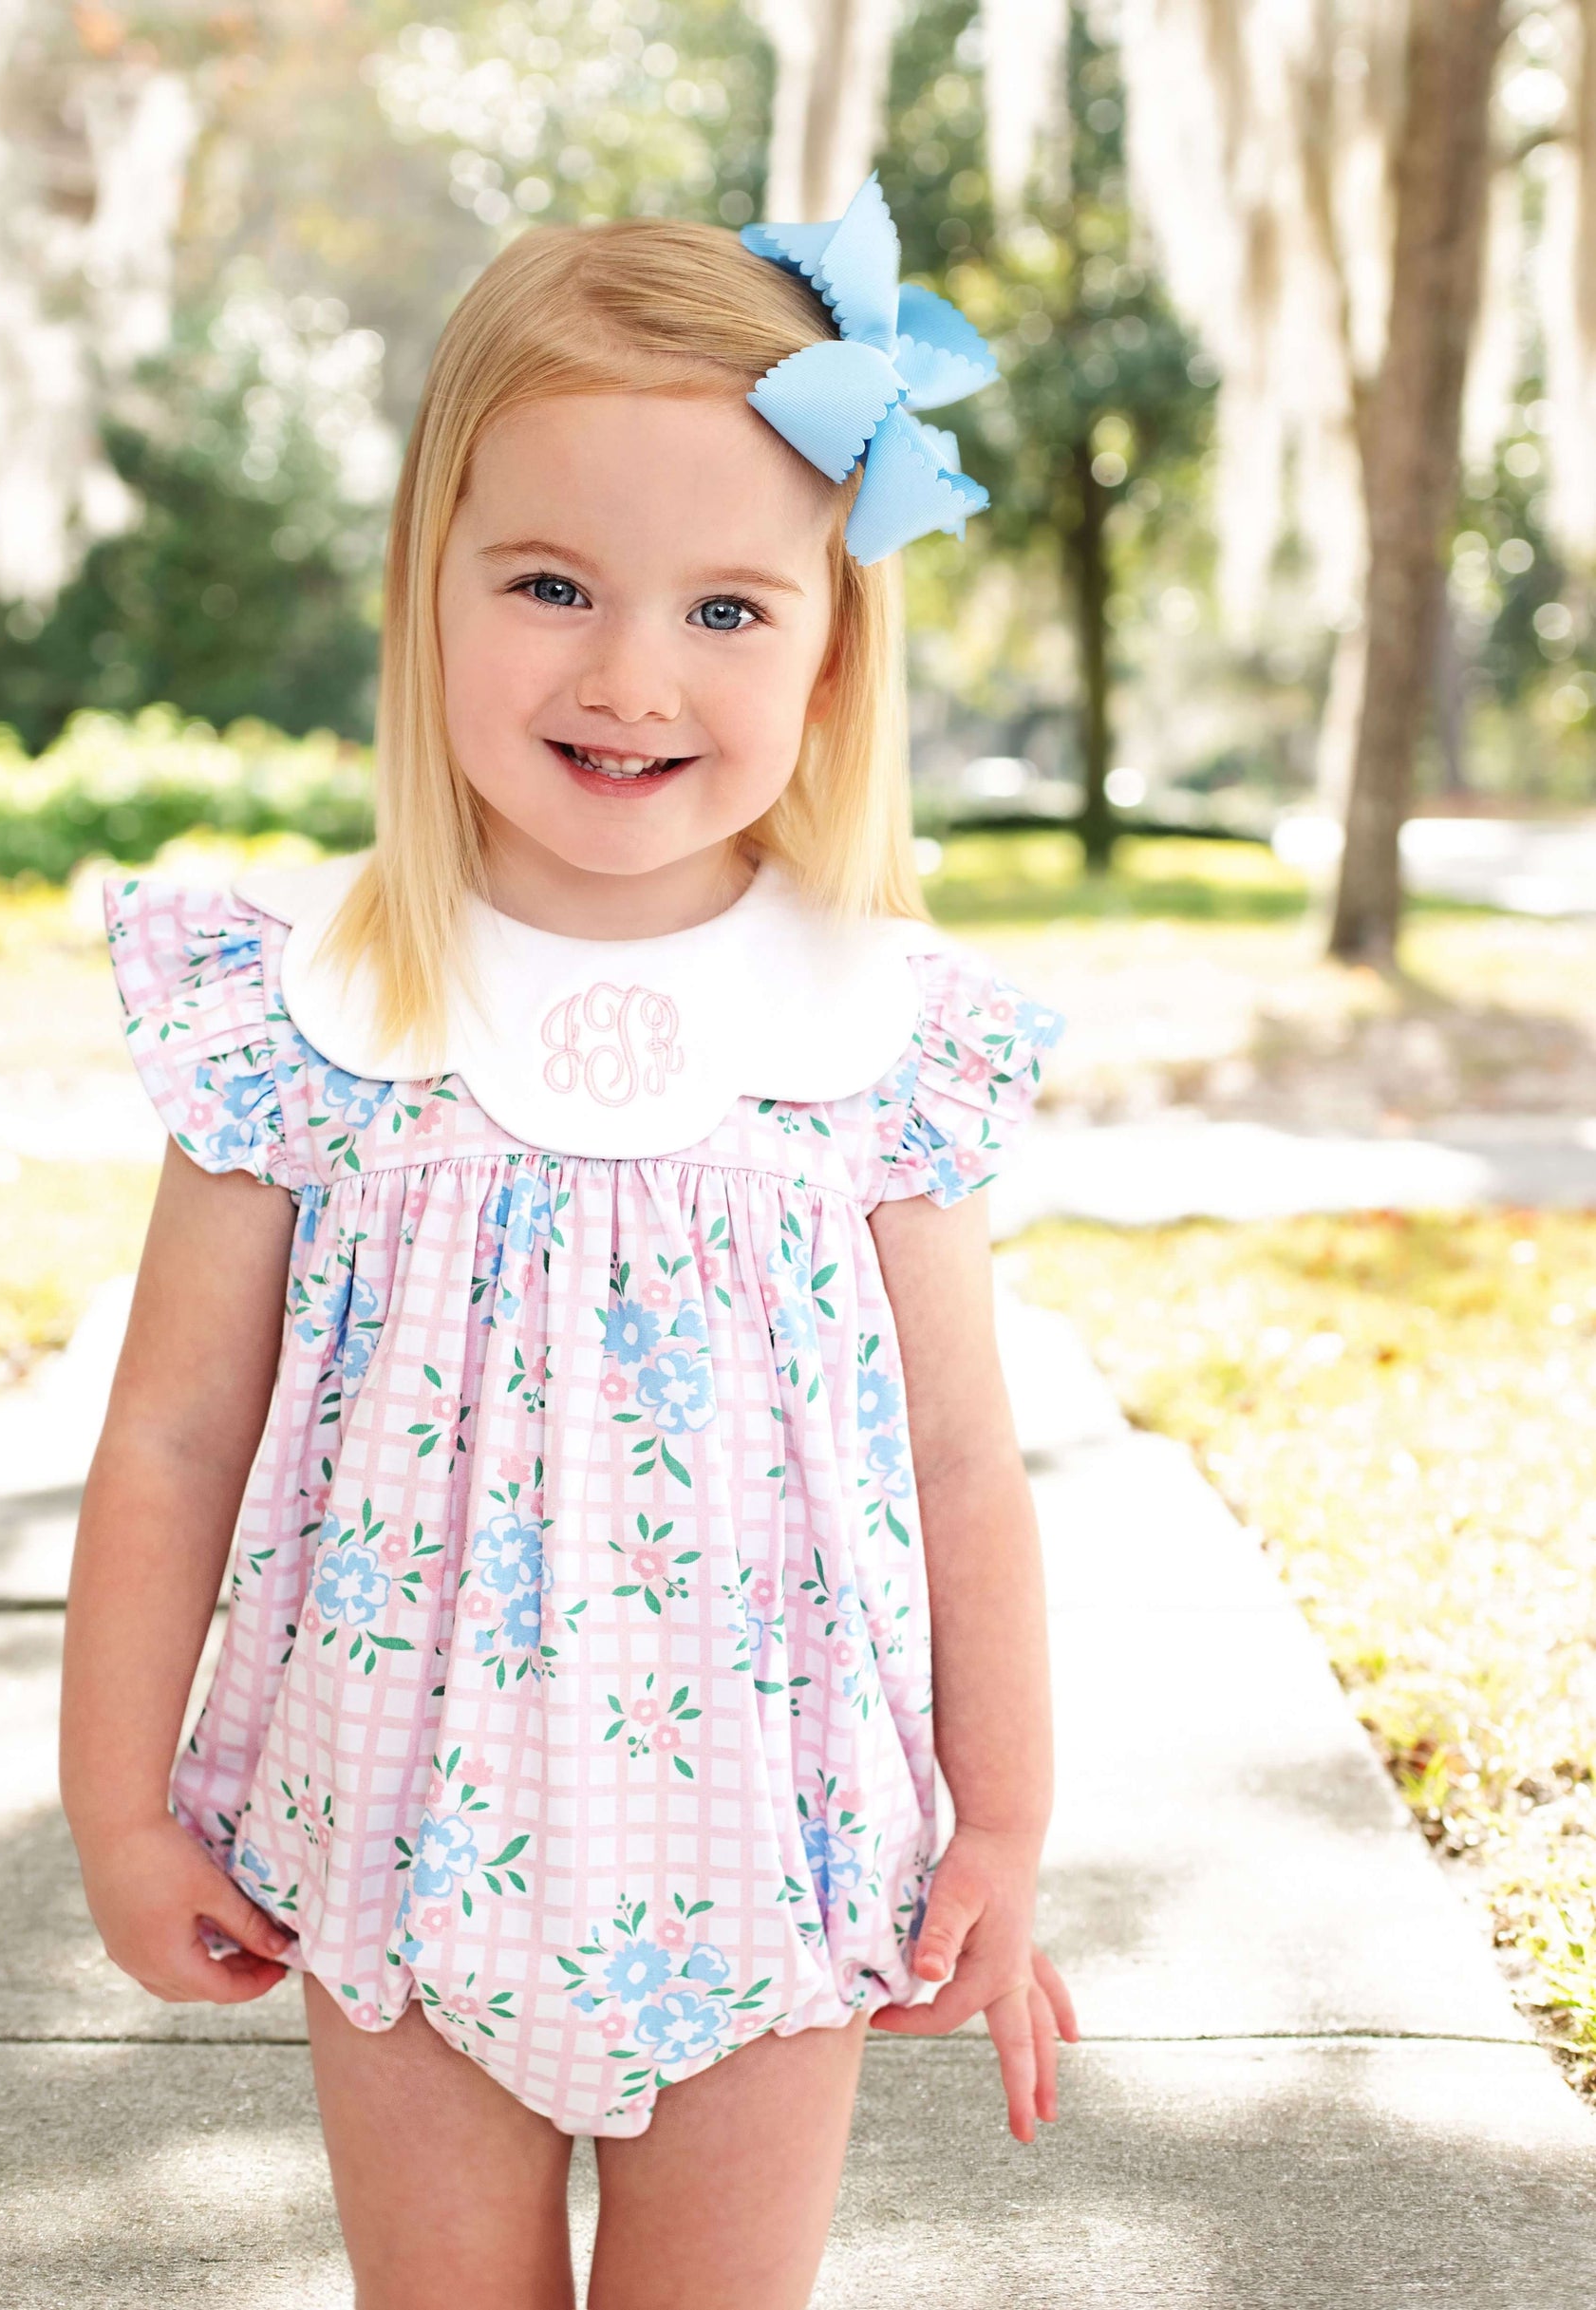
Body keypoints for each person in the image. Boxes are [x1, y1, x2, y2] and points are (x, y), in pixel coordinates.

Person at [60, 174, 1080, 2310]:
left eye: (727, 607)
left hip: (781, 1845)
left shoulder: (865, 1033)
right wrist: (120, 1811)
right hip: (400, 1833)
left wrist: (998, 1823)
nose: (631, 673)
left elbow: (964, 1461)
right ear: (425, 584)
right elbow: (167, 1438)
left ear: (828, 646)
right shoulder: (315, 1013)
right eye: (549, 581)